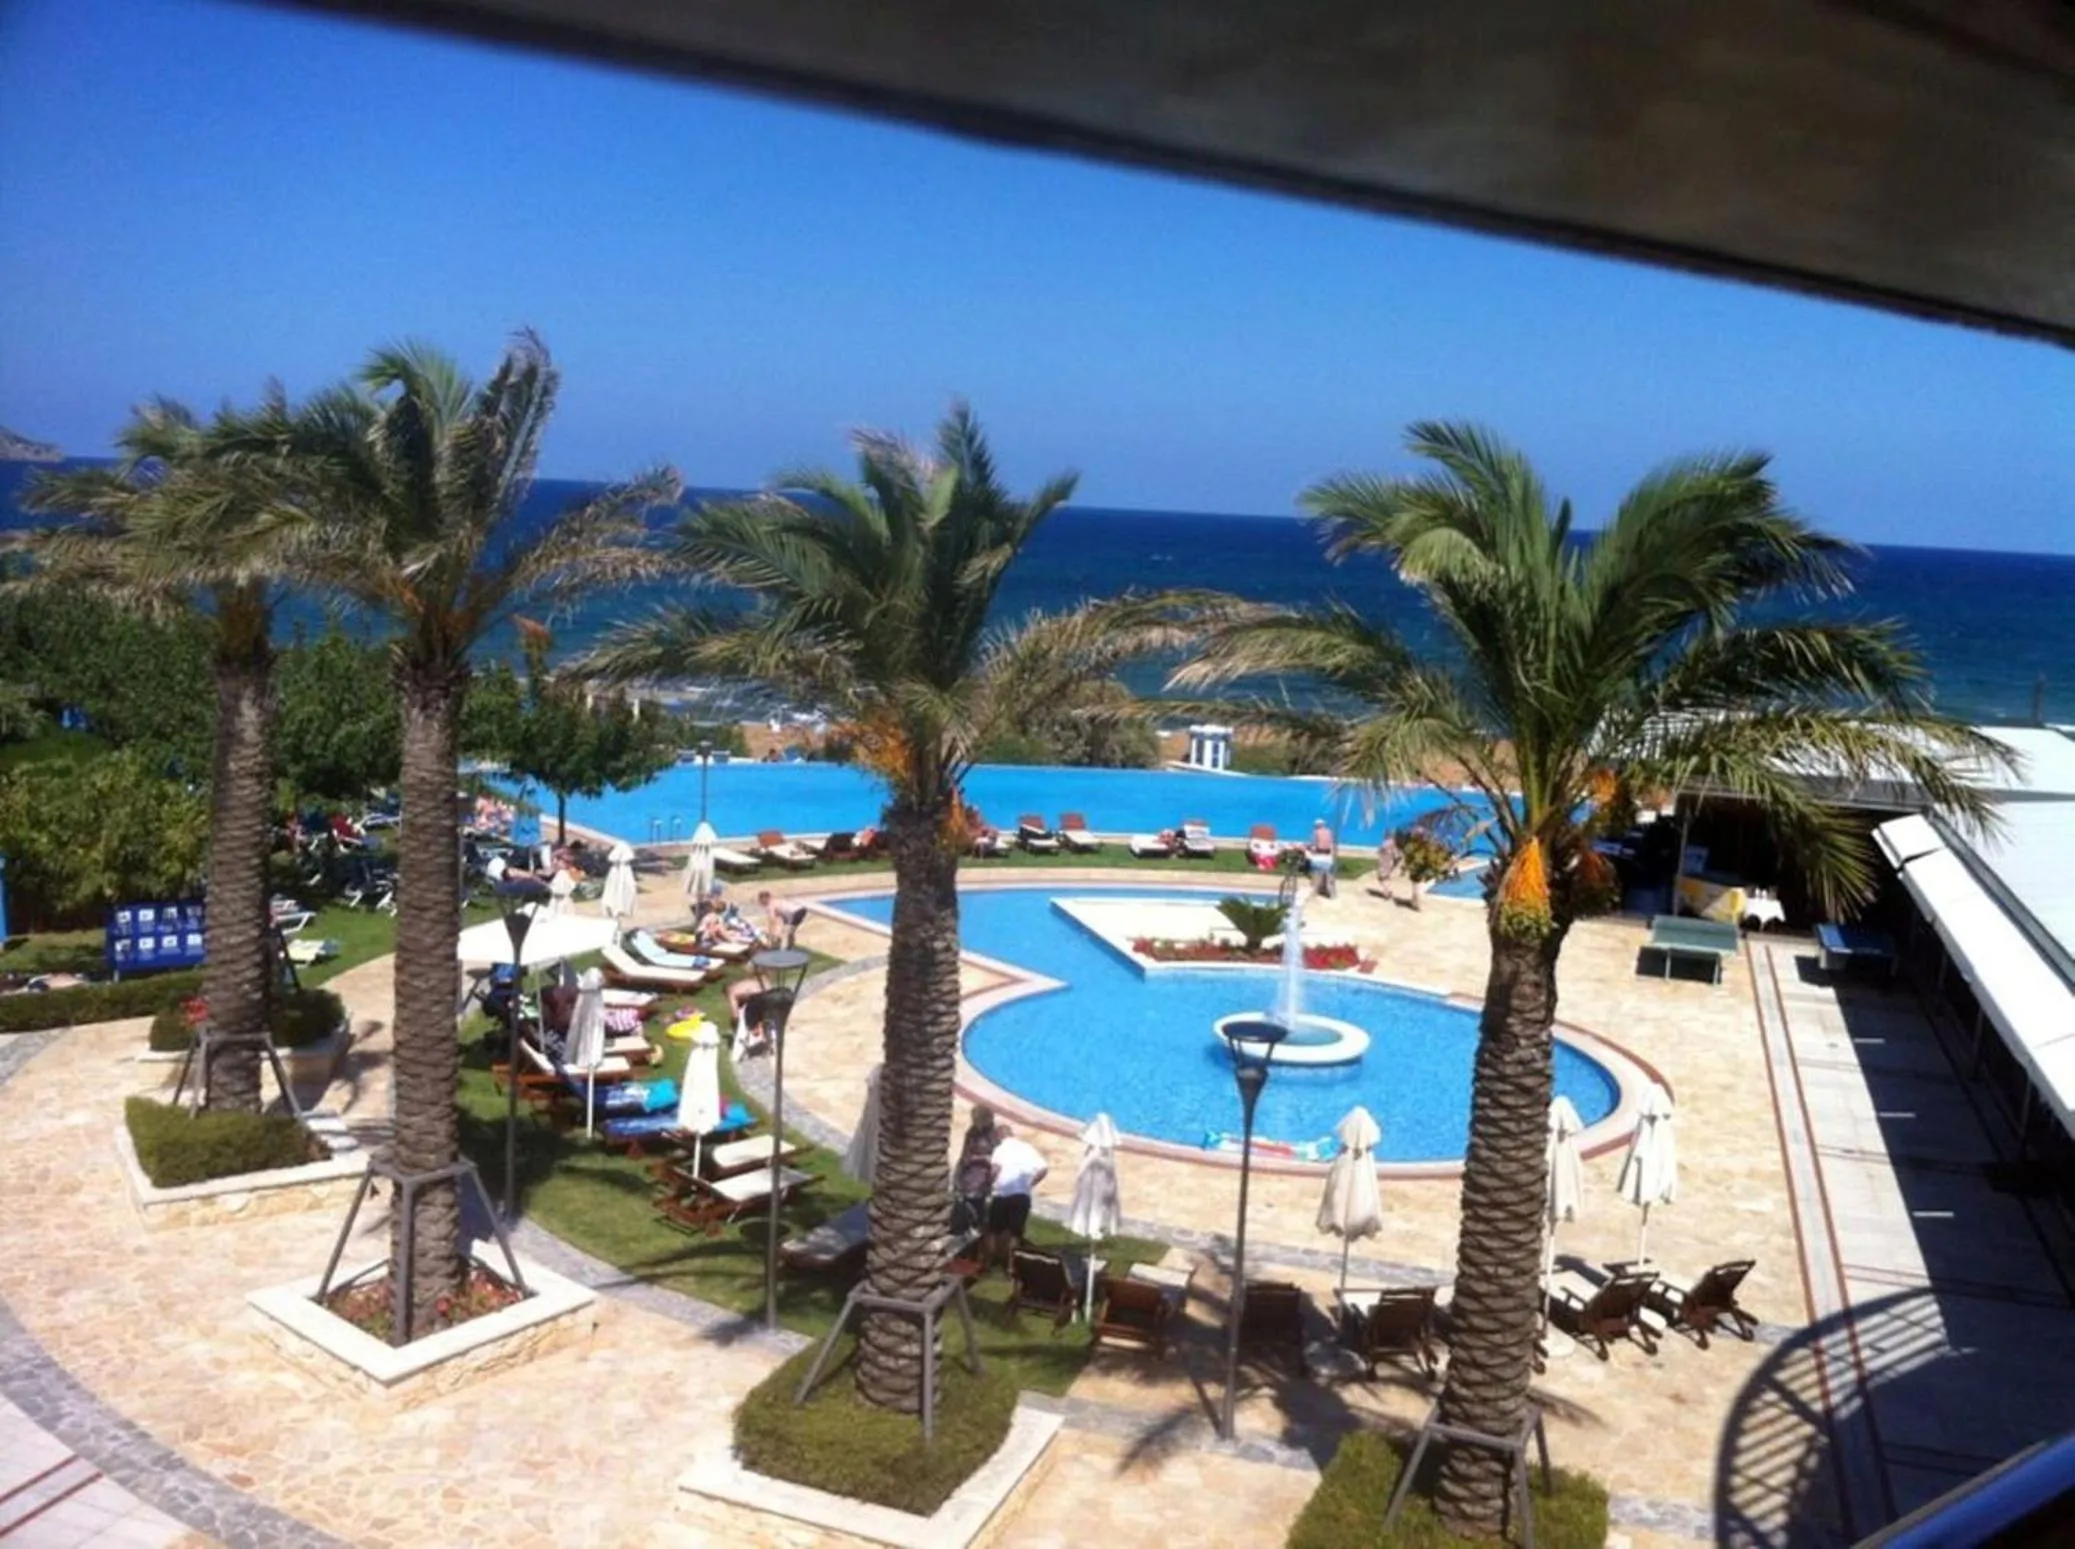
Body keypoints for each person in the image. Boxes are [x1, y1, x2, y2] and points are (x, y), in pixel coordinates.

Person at [983, 1123, 1049, 1271]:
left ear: (999, 1136)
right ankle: (1011, 1266)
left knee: (993, 1230)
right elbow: (1044, 1168)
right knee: (1015, 1232)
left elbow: (995, 1169)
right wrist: (1030, 1184)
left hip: (1002, 1194)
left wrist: (987, 1183)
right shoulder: (1027, 1148)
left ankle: (989, 1263)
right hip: (1022, 1196)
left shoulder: (1000, 1149)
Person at [952, 1105, 1000, 1239]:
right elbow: (965, 1155)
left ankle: (976, 1230)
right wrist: (958, 1174)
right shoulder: (972, 1133)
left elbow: (997, 1159)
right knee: (963, 1204)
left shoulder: (994, 1136)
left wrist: (982, 1159)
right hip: (968, 1174)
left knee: (977, 1206)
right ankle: (962, 1230)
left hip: (982, 1177)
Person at [1309, 818, 1338, 898]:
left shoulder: (1315, 832)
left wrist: (1309, 849)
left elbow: (1313, 845)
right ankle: (1330, 893)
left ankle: (1315, 893)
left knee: (1316, 876)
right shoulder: (1329, 832)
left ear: (1316, 826)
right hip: (1328, 857)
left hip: (1318, 856)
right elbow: (1331, 844)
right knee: (1328, 876)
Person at [1375, 833, 1402, 903]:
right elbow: (1398, 856)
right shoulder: (1393, 844)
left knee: (1381, 878)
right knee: (1385, 878)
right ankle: (1387, 891)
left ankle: (1387, 893)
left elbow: (1379, 851)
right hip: (1390, 863)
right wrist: (1395, 864)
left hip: (1384, 862)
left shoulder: (1385, 843)